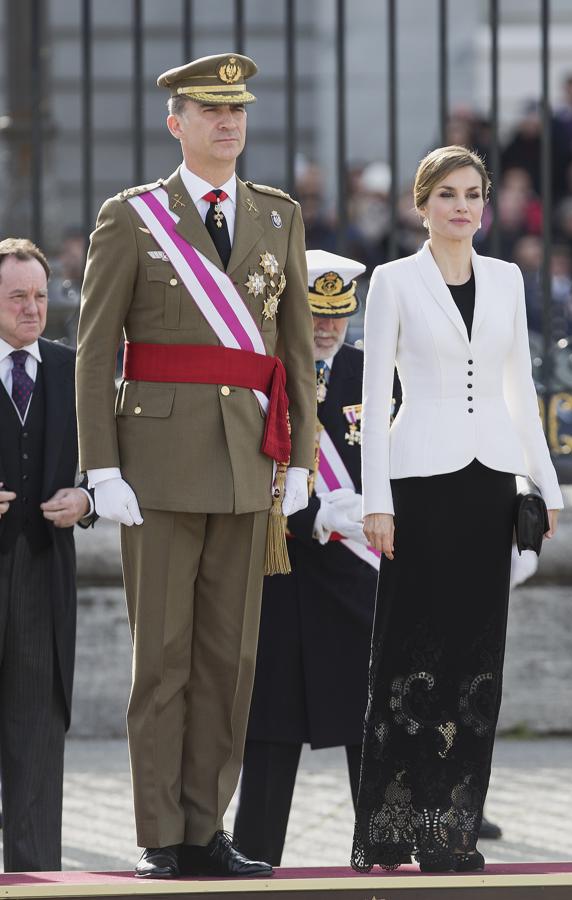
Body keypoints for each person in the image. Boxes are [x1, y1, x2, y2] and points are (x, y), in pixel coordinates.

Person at [75, 53, 316, 879]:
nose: (227, 123)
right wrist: (100, 467)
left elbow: (294, 354)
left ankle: (206, 826)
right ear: (175, 123)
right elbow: (95, 351)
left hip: (248, 464)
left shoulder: (278, 216)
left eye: (237, 110)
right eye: (210, 111)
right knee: (162, 659)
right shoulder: (132, 217)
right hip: (157, 469)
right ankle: (160, 832)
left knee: (228, 660)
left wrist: (302, 462)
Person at [351, 145, 563, 874]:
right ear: (422, 205)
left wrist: (546, 485)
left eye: (472, 194)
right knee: (410, 656)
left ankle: (451, 832)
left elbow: (519, 389)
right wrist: (375, 501)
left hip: (487, 488)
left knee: (476, 661)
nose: (462, 207)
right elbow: (375, 395)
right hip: (417, 485)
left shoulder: (506, 279)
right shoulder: (392, 280)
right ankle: (391, 829)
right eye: (447, 194)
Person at [233, 250, 399, 865]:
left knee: (371, 728)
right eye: (315, 315)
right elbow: (246, 469)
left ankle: (383, 854)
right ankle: (254, 858)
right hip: (284, 573)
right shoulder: (265, 373)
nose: (327, 328)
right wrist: (311, 515)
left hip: (358, 576)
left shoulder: (376, 374)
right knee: (271, 731)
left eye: (338, 315)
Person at [0, 238, 94, 872]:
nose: (33, 308)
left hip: (42, 577)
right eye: (17, 297)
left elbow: (113, 470)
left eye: (39, 295)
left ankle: (35, 883)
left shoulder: (71, 369)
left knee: (36, 746)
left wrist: (85, 500)